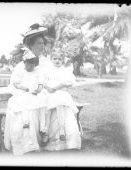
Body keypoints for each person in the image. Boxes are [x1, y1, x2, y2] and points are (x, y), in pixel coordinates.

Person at [4, 24, 49, 155]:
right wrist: (25, 90)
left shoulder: (43, 64)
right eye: (39, 43)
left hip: (40, 93)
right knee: (25, 107)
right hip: (24, 94)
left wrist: (40, 88)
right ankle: (25, 143)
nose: (42, 46)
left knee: (42, 103)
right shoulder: (21, 66)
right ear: (31, 46)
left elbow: (43, 81)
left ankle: (42, 134)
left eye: (43, 43)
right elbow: (15, 83)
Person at [41, 46, 82, 151]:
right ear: (51, 60)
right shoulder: (48, 70)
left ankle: (62, 130)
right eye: (55, 58)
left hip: (61, 93)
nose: (57, 61)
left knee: (59, 102)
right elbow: (43, 82)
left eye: (60, 59)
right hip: (49, 93)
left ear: (63, 60)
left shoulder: (65, 71)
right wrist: (48, 87)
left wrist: (56, 87)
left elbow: (68, 82)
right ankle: (45, 131)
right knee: (47, 108)